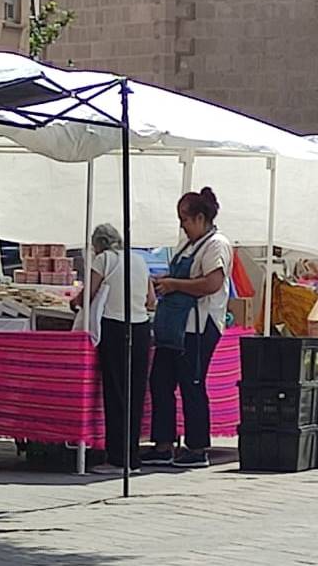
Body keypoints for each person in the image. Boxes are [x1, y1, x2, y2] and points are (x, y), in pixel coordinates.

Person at [143, 187, 232, 469]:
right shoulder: (188, 245)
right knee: (160, 381)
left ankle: (197, 447)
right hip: (175, 328)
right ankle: (164, 444)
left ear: (201, 217)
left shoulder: (216, 244)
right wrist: (165, 280)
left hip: (199, 327)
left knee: (192, 383)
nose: (182, 224)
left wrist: (175, 284)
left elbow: (212, 284)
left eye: (185, 218)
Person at [69, 224, 156, 474]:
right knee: (135, 393)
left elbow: (89, 294)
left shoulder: (104, 260)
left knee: (115, 392)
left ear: (98, 245)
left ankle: (117, 457)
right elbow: (150, 300)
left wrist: (74, 302)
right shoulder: (139, 260)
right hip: (141, 329)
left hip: (115, 328)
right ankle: (132, 455)